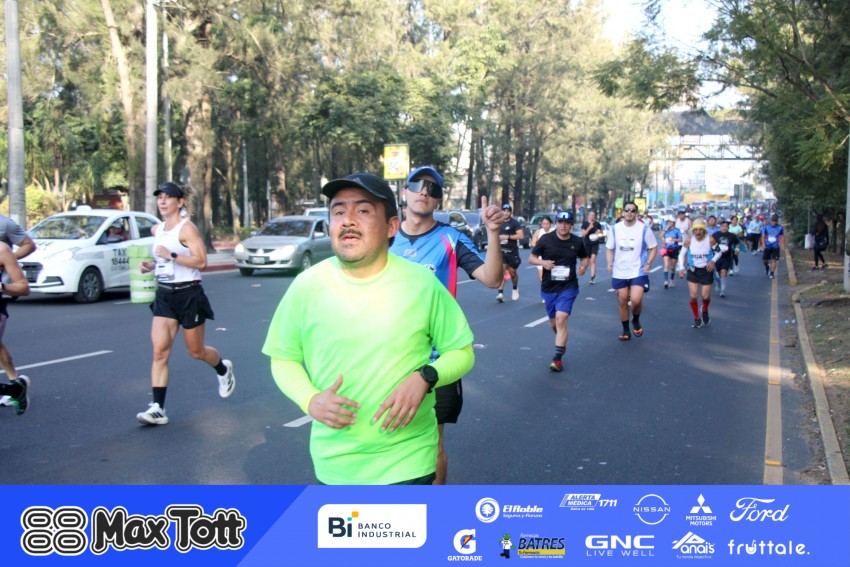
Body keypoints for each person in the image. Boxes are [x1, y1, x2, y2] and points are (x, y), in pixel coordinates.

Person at [263, 172, 475, 485]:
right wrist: (309, 399)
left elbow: (461, 351)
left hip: (407, 459)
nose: (348, 220)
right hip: (335, 464)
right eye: (338, 212)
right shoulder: (306, 286)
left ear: (391, 227)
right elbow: (283, 357)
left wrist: (426, 376)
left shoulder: (422, 284)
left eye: (362, 210)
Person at [389, 165, 505, 485]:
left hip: (435, 361)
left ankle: (436, 509)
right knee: (384, 439)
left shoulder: (450, 239)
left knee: (432, 444)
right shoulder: (384, 237)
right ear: (404, 192)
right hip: (386, 358)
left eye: (433, 188)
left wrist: (493, 232)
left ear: (439, 200)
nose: (424, 192)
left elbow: (492, 278)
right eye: (417, 185)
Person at [136, 182, 235, 426]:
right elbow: (163, 260)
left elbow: (201, 262)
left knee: (196, 351)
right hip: (165, 294)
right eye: (160, 197)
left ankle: (223, 369)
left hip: (189, 294)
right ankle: (158, 408)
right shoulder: (158, 229)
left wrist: (171, 255)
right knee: (159, 352)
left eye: (168, 197)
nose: (162, 201)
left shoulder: (187, 229)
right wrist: (151, 265)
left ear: (180, 202)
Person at [528, 211, 589, 372]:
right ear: (556, 224)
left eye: (567, 223)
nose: (563, 226)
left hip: (568, 286)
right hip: (549, 287)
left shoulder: (577, 241)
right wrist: (543, 263)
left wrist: (583, 267)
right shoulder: (546, 239)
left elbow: (585, 257)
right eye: (560, 222)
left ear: (571, 225)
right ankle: (560, 342)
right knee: (554, 323)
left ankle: (557, 358)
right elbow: (531, 258)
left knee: (561, 318)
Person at [605, 201, 658, 341]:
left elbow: (654, 247)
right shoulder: (615, 229)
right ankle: (626, 330)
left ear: (636, 213)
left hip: (638, 270)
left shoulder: (644, 229)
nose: (629, 212)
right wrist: (609, 264)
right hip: (620, 271)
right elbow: (610, 248)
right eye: (627, 210)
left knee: (635, 300)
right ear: (623, 212)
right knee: (622, 301)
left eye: (632, 210)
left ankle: (635, 319)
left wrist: (649, 263)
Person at [0, 213, 35, 408]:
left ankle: (14, 387)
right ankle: (15, 387)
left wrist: (1, 285)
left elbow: (24, 288)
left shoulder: (2, 247)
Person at [678, 218, 720, 328]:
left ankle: (705, 309)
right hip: (693, 270)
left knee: (705, 297)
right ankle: (697, 318)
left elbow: (719, 252)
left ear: (704, 231)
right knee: (693, 296)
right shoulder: (689, 240)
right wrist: (681, 268)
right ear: (693, 231)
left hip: (706, 270)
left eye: (700, 230)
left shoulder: (710, 240)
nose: (698, 232)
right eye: (695, 230)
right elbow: (681, 254)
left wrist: (712, 261)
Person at [496, 203, 525, 302]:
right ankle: (500, 293)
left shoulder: (514, 223)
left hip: (512, 251)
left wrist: (508, 237)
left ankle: (515, 287)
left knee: (512, 273)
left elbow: (521, 236)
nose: (505, 213)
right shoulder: (499, 223)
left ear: (511, 213)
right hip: (501, 251)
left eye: (508, 211)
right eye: (504, 211)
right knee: (501, 272)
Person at [713, 219, 740, 297]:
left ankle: (722, 290)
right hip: (717, 257)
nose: (724, 228)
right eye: (723, 226)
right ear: (720, 227)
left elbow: (737, 243)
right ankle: (718, 282)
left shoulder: (732, 235)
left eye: (726, 226)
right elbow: (710, 243)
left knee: (724, 273)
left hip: (727, 257)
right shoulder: (715, 235)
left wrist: (737, 249)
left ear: (728, 227)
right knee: (718, 273)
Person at [580, 211, 604, 285]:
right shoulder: (585, 224)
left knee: (593, 260)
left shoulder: (597, 224)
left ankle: (593, 277)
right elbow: (583, 235)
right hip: (587, 244)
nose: (592, 216)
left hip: (595, 244)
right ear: (588, 216)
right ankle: (582, 270)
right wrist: (589, 228)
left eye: (593, 215)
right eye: (591, 215)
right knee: (587, 261)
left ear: (595, 216)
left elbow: (602, 234)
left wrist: (599, 232)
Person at [531, 215, 554, 292]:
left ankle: (553, 291)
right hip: (541, 258)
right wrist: (540, 248)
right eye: (544, 224)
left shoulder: (554, 231)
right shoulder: (538, 232)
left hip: (553, 257)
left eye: (547, 224)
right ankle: (545, 292)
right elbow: (533, 243)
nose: (545, 226)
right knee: (542, 278)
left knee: (553, 277)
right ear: (541, 224)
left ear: (550, 224)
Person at [661, 218, 683, 288]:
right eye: (668, 222)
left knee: (672, 267)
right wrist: (665, 230)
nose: (669, 223)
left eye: (671, 222)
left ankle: (672, 279)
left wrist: (673, 239)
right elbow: (660, 236)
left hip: (674, 249)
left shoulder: (677, 230)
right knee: (666, 265)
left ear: (674, 223)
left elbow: (681, 239)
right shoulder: (666, 230)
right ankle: (666, 281)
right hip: (666, 249)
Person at [760, 213, 784, 279]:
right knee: (765, 260)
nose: (774, 222)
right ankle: (767, 267)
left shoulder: (780, 228)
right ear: (771, 221)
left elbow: (782, 237)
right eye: (773, 221)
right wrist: (763, 244)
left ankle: (772, 273)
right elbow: (763, 236)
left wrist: (781, 244)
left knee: (774, 260)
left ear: (777, 221)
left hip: (775, 246)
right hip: (768, 246)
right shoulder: (766, 227)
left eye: (775, 221)